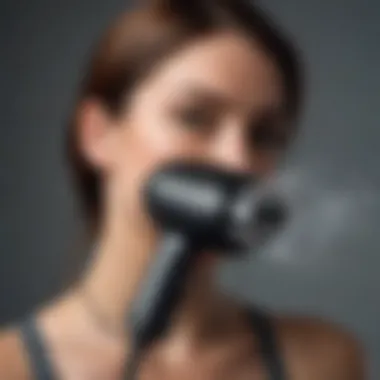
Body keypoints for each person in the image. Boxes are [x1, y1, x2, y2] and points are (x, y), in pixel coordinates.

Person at [0, 0, 366, 379]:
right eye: (194, 117)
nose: (238, 162)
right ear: (98, 133)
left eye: (264, 135)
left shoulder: (321, 362)